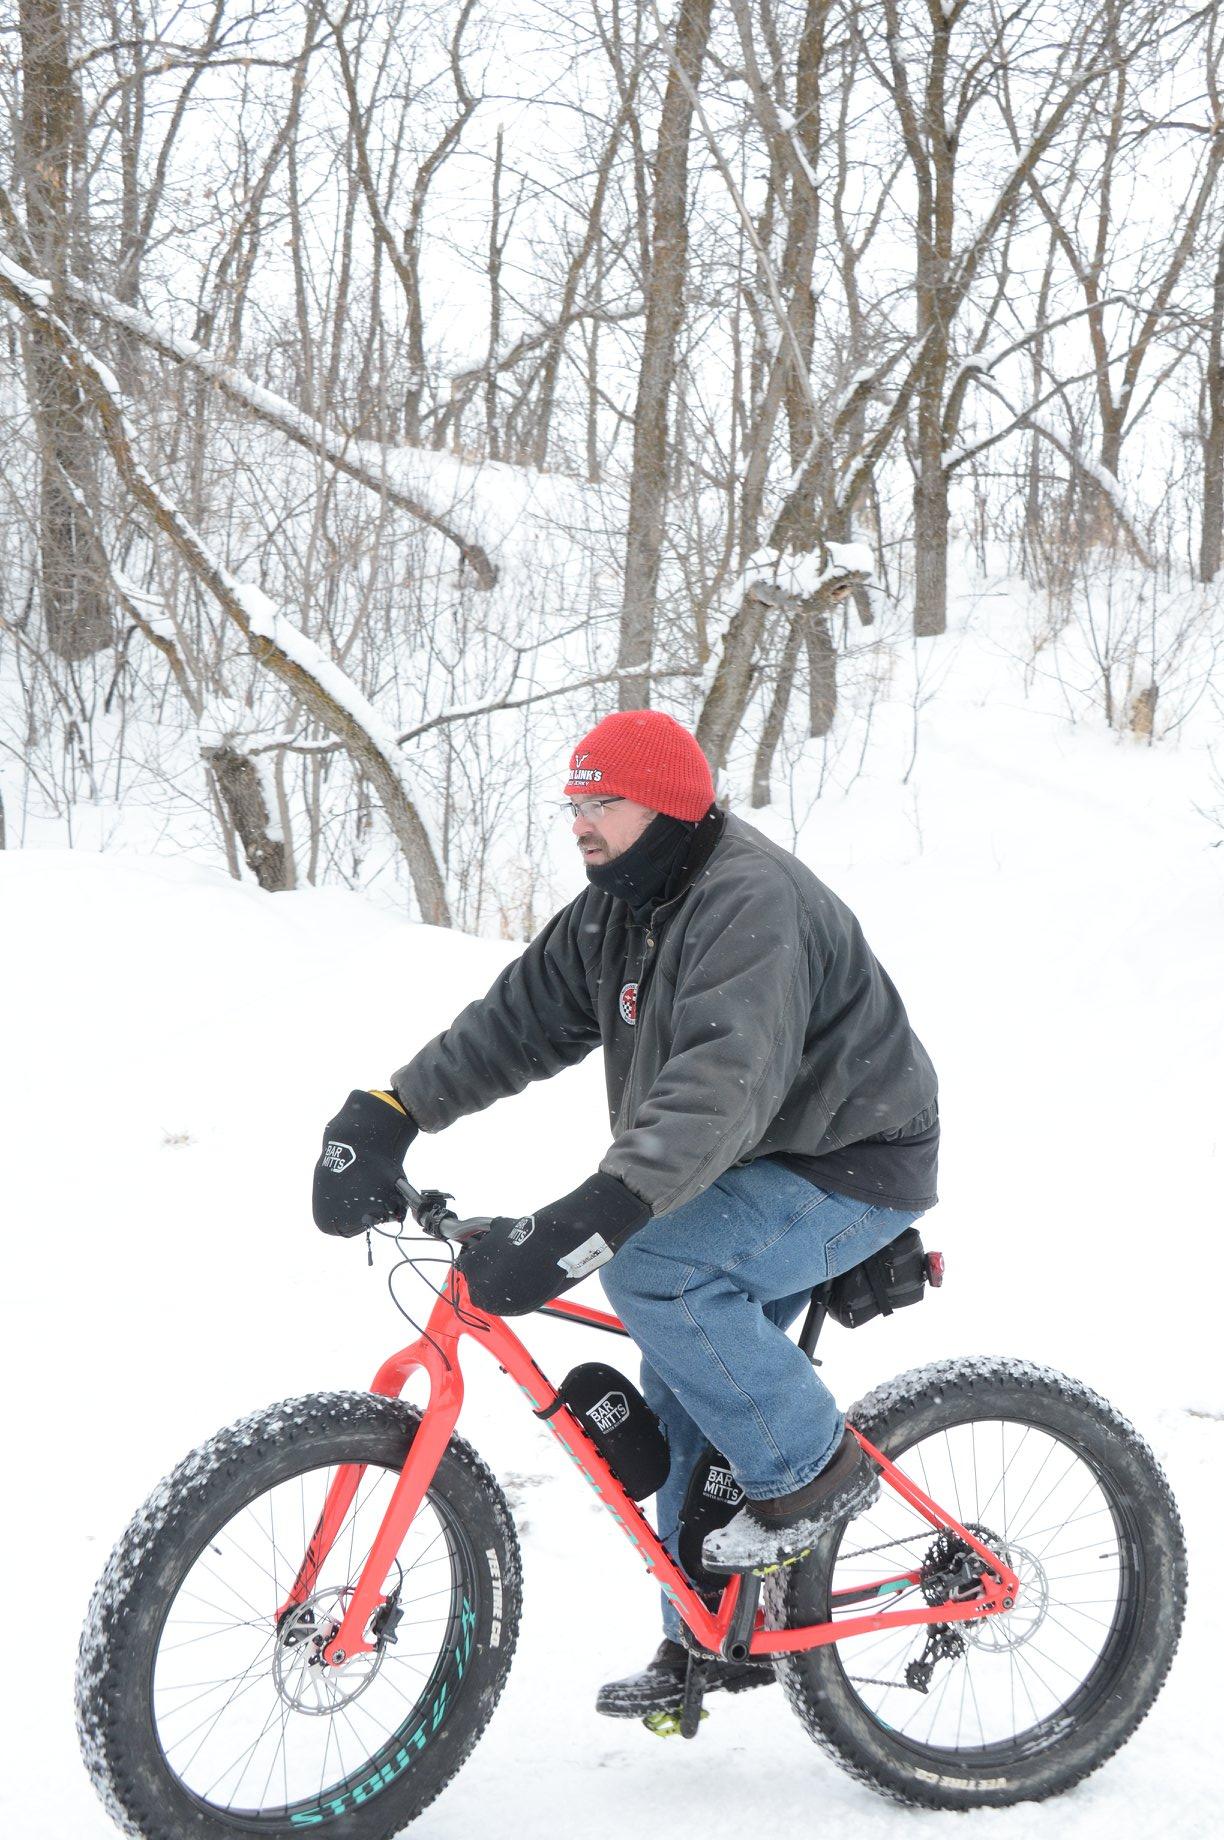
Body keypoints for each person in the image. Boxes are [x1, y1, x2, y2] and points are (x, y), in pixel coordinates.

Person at [312, 709, 939, 1717]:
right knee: (687, 1385)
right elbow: (515, 1022)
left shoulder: (750, 902)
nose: (581, 822)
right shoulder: (622, 903)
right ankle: (711, 1635)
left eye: (602, 801)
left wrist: (591, 1219)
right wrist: (395, 1109)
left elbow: (716, 1089)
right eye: (574, 803)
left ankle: (811, 1470)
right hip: (739, 1162)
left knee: (655, 1272)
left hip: (846, 1163)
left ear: (670, 804)